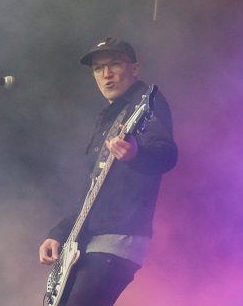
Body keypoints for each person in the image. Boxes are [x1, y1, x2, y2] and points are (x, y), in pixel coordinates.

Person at [39, 37, 178, 306]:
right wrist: (58, 233)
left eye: (114, 64)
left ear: (134, 69)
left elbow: (167, 154)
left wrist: (137, 154)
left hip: (118, 238)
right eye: (97, 68)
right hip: (86, 241)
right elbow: (90, 192)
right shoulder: (107, 117)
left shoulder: (147, 102)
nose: (106, 74)